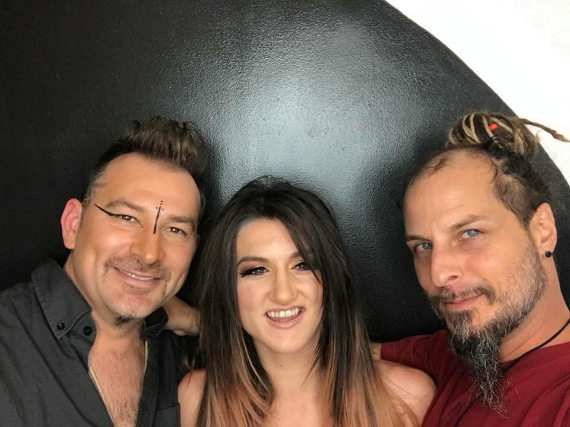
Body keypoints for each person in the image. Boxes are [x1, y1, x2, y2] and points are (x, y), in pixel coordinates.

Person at [178, 178, 435, 427]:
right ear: (226, 290)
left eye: (303, 265)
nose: (283, 294)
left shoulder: (407, 398)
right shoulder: (198, 399)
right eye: (256, 270)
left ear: (332, 281)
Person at [0, 117, 207, 426]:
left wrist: (196, 321)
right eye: (126, 217)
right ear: (73, 225)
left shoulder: (183, 358)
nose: (149, 253)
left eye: (176, 230)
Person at [380, 111, 570, 426]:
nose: (439, 274)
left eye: (470, 233)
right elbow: (346, 355)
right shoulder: (453, 354)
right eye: (423, 246)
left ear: (542, 231)